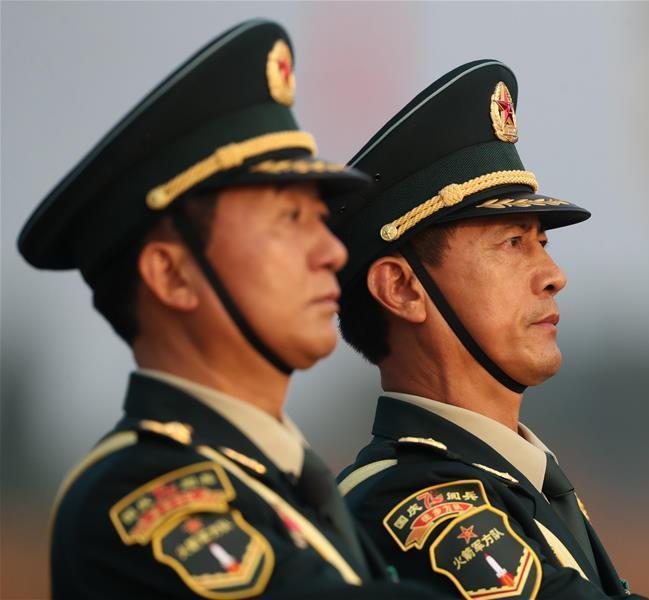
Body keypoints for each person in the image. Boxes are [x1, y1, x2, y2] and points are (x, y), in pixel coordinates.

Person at [19, 19, 445, 599]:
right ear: (172, 274)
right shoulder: (134, 496)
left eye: (320, 221)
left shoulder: (281, 482)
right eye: (289, 220)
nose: (331, 252)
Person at [333, 60, 647, 599]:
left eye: (542, 243)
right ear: (403, 289)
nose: (553, 276)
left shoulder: (518, 482)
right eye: (511, 243)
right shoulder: (412, 504)